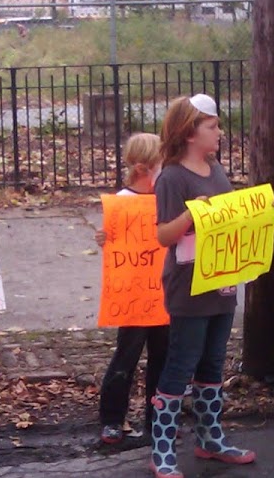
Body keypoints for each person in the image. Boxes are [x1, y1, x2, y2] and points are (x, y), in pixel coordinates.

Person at [148, 94, 257, 478]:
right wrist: (194, 213)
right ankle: (162, 449)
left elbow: (227, 219)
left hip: (222, 283)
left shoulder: (217, 170)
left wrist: (256, 213)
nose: (220, 132)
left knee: (212, 362)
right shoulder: (172, 177)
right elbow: (164, 234)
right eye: (213, 126)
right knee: (181, 363)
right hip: (189, 287)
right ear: (190, 133)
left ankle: (210, 438)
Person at [93, 133, 169, 445]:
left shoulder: (166, 198)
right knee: (126, 357)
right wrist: (104, 239)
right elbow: (113, 241)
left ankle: (158, 418)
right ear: (142, 169)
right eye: (161, 165)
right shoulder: (123, 201)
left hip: (163, 295)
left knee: (162, 359)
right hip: (134, 298)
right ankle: (112, 418)